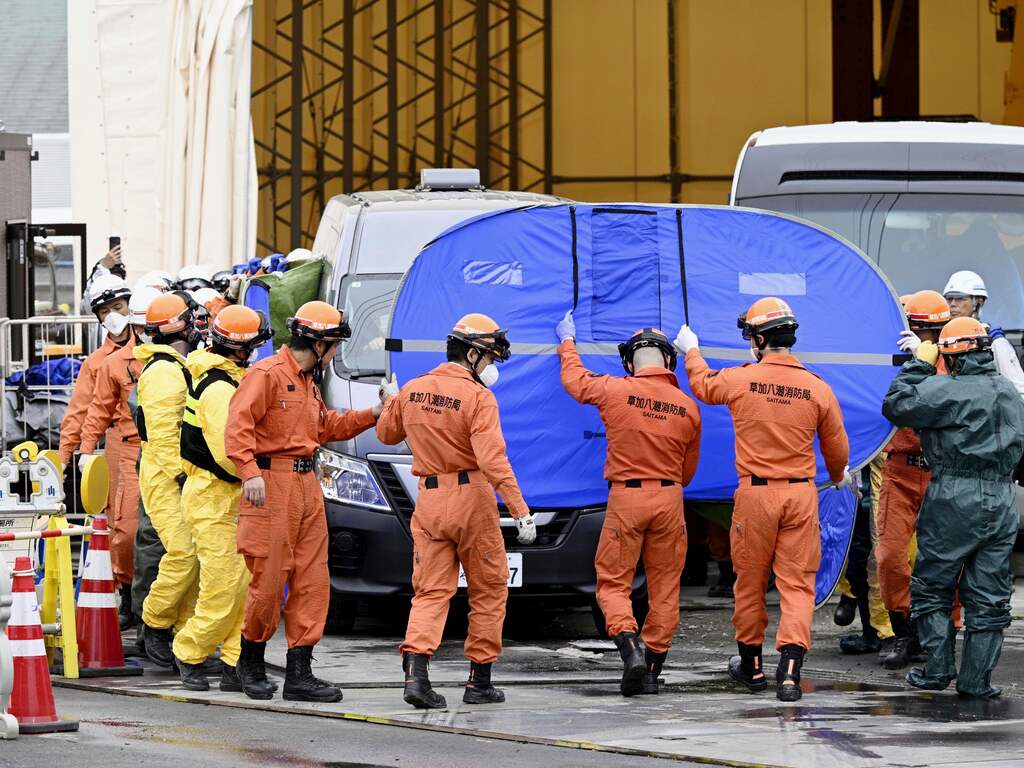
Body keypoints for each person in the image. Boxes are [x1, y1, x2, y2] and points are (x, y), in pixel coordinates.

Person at [676, 297, 850, 702]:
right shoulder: (817, 387)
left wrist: (693, 350)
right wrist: (839, 476)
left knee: (749, 583)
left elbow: (702, 386)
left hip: (755, 496)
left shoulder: (741, 380)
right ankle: (789, 673)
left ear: (757, 339)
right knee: (797, 585)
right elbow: (837, 451)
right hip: (801, 494)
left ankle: (751, 668)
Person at [226, 300, 384, 702]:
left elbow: (325, 427)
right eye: (333, 346)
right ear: (318, 344)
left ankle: (300, 673)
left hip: (306, 485)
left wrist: (375, 412)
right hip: (273, 486)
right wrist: (250, 473)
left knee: (312, 580)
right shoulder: (267, 375)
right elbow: (237, 427)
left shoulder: (308, 381)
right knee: (269, 579)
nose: (334, 355)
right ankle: (251, 662)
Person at [376, 313, 535, 710]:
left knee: (430, 592)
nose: (493, 367)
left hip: (428, 500)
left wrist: (390, 402)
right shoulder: (479, 397)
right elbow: (493, 459)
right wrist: (520, 511)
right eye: (491, 358)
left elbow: (387, 434)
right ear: (472, 354)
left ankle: (416, 676)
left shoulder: (413, 389)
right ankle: (479, 682)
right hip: (472, 499)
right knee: (488, 588)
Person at [556, 314, 701, 696]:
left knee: (613, 584)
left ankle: (629, 645)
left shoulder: (614, 390)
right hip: (670, 499)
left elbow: (574, 381)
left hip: (627, 498)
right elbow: (689, 471)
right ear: (669, 361)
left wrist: (568, 342)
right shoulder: (688, 407)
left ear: (629, 362)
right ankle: (650, 671)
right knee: (666, 589)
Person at [883, 317, 1024, 698]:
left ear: (953, 355)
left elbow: (896, 405)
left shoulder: (946, 390)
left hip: (954, 497)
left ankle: (937, 669)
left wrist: (920, 363)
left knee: (933, 586)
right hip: (1002, 499)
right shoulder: (1010, 392)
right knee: (990, 595)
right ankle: (977, 681)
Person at [172, 305, 273, 691]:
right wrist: (258, 471)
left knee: (245, 583)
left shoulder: (231, 380)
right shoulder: (218, 388)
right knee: (222, 585)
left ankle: (233, 660)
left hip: (228, 496)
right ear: (239, 349)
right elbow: (226, 452)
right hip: (213, 496)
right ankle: (189, 651)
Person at [871, 290, 951, 668]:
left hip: (940, 469)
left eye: (934, 332)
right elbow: (885, 404)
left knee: (948, 558)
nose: (928, 339)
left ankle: (944, 632)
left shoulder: (959, 361)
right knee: (889, 556)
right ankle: (904, 632)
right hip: (900, 469)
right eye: (922, 331)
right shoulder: (892, 357)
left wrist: (931, 363)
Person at [79, 287, 162, 607]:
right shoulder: (112, 364)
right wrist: (84, 450)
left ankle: (157, 610)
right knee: (126, 531)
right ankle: (129, 596)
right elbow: (96, 409)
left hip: (170, 452)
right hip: (128, 450)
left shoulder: (183, 359)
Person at [60, 275, 134, 623]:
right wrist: (66, 458)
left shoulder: (154, 349)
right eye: (105, 312)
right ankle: (129, 596)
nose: (113, 316)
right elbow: (80, 413)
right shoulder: (97, 363)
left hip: (162, 445)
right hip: (122, 443)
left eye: (117, 307)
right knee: (124, 525)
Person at [135, 293, 202, 667]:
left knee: (194, 555)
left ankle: (183, 633)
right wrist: (182, 474)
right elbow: (162, 435)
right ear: (178, 326)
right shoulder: (163, 371)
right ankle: (155, 623)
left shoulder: (177, 366)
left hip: (178, 475)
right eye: (191, 319)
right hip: (167, 477)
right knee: (184, 553)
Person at [943, 270, 1024, 396]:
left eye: (960, 298)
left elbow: (1019, 390)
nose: (952, 304)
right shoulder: (941, 339)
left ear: (978, 302)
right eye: (949, 298)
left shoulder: (993, 340)